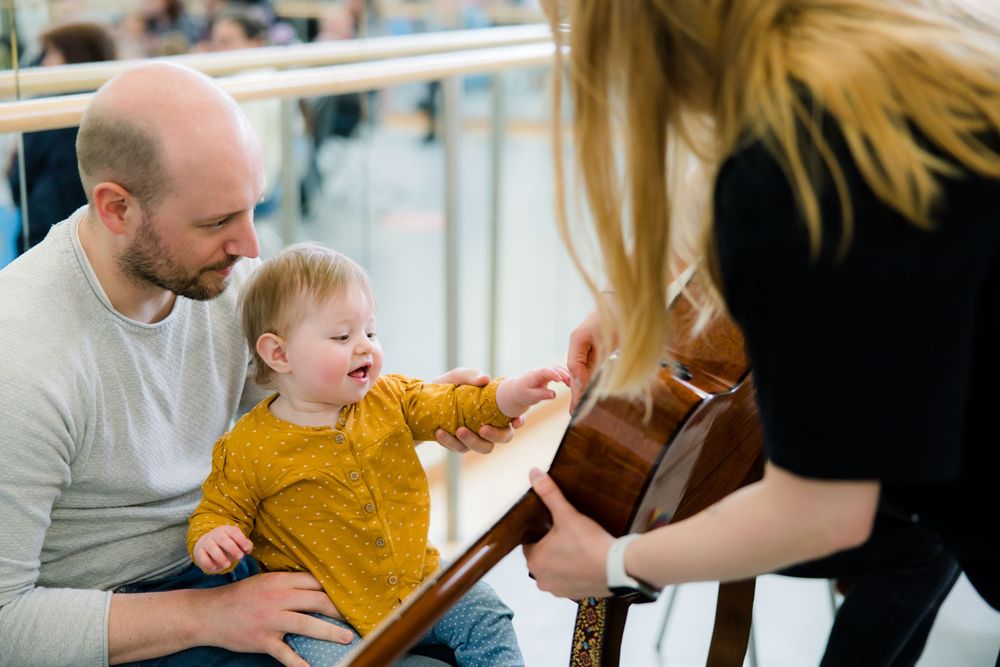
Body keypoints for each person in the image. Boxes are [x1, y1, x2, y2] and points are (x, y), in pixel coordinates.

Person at [522, 1, 1000, 665]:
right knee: (912, 541)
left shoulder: (784, 170)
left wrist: (612, 561)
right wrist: (630, 294)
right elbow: (723, 174)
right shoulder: (901, 46)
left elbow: (821, 510)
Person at [0, 61, 520, 667]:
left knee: (465, 636)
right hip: (123, 615)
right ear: (116, 208)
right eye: (218, 221)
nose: (251, 247)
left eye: (253, 209)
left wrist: (420, 407)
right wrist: (211, 614)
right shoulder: (23, 358)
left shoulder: (227, 281)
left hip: (247, 562)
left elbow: (290, 418)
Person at [188, 243, 569, 666]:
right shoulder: (248, 446)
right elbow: (218, 511)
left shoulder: (390, 397)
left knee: (485, 613)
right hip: (327, 614)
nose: (364, 347)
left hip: (417, 582)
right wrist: (213, 538)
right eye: (342, 336)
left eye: (371, 332)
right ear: (279, 353)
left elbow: (457, 405)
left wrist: (515, 393)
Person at [7, 21, 117, 253]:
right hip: (105, 235)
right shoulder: (115, 107)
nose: (45, 62)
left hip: (46, 232)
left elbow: (18, 179)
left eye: (52, 53)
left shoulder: (49, 115)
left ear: (73, 55)